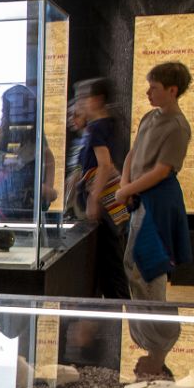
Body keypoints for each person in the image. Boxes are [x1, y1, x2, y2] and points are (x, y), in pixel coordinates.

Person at [116, 61, 194, 377]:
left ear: (172, 90)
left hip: (158, 202)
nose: (148, 93)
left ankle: (158, 340)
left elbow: (162, 171)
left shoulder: (177, 126)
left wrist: (128, 190)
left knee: (148, 265)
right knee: (133, 265)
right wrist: (125, 185)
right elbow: (133, 154)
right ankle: (148, 335)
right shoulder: (150, 118)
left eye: (155, 88)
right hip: (139, 197)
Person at [77, 77, 131, 299]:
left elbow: (105, 165)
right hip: (109, 200)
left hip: (104, 202)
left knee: (110, 259)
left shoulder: (97, 128)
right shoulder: (108, 125)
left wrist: (93, 198)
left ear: (98, 99)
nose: (81, 103)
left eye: (85, 97)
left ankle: (117, 305)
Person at [0, 84, 57, 220]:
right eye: (13, 108)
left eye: (22, 108)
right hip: (2, 208)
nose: (18, 114)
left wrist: (41, 190)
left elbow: (48, 194)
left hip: (28, 212)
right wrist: (6, 159)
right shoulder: (3, 136)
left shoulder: (39, 145)